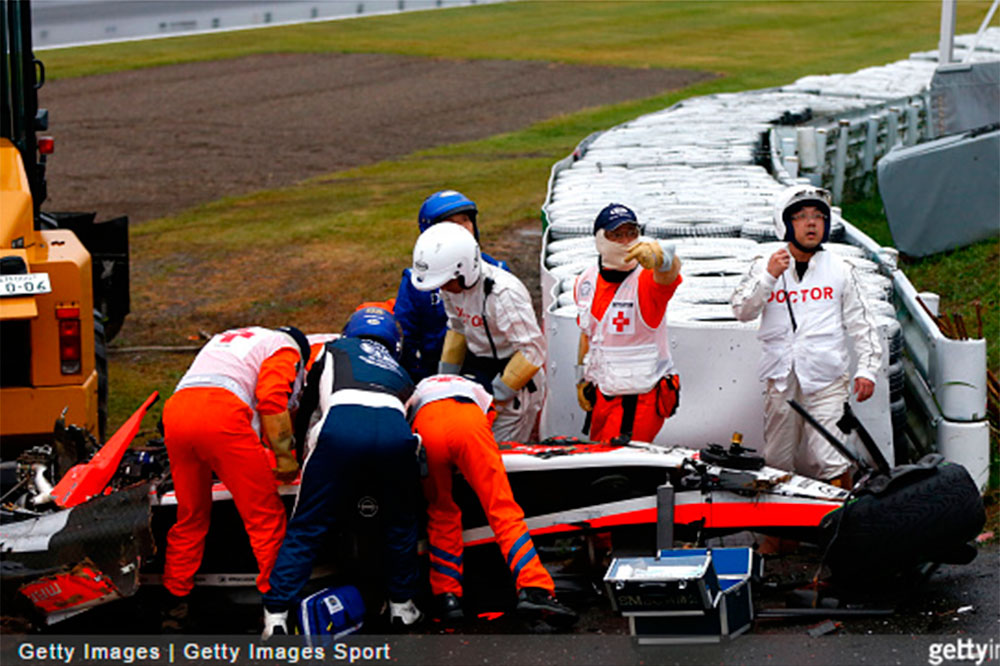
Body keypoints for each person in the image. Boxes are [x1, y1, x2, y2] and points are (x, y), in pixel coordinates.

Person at [261, 307, 423, 638]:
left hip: (340, 428)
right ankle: (402, 607)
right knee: (400, 524)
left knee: (307, 526)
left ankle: (276, 615)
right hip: (395, 435)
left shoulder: (333, 350)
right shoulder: (401, 369)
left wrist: (296, 455)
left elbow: (307, 405)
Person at [731, 184, 881, 487]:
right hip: (781, 377)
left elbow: (863, 323)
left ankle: (840, 526)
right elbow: (741, 310)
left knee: (833, 457)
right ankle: (779, 533)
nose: (811, 223)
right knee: (776, 460)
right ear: (785, 223)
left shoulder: (841, 268)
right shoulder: (764, 266)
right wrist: (769, 277)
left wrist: (867, 369)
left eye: (818, 216)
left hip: (827, 378)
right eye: (800, 216)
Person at [161, 325, 310, 630]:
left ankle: (174, 603)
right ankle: (276, 609)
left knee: (190, 515)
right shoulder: (285, 349)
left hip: (177, 413)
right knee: (264, 518)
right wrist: (284, 458)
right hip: (222, 416)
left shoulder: (230, 338)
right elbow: (271, 401)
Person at [406, 373, 577, 627]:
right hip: (468, 421)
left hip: (425, 425)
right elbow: (489, 422)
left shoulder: (419, 386)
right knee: (501, 508)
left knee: (441, 512)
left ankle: (447, 598)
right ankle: (534, 588)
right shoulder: (477, 388)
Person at [410, 222, 545, 443]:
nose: (442, 288)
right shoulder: (452, 288)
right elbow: (458, 327)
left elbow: (533, 351)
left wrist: (497, 397)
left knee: (500, 452)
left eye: (446, 282)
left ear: (464, 269)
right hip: (482, 372)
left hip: (515, 382)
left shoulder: (504, 294)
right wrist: (444, 381)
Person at [573, 203, 683, 444]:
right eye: (616, 234)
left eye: (631, 233)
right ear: (600, 240)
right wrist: (582, 378)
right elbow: (586, 334)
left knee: (619, 471)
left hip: (638, 399)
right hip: (601, 394)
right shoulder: (585, 281)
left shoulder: (647, 280)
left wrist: (663, 258)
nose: (625, 241)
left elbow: (670, 274)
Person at [395, 190, 509, 384]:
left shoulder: (498, 275)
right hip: (433, 371)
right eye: (451, 223)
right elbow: (406, 336)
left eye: (465, 220)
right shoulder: (416, 283)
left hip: (488, 372)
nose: (462, 228)